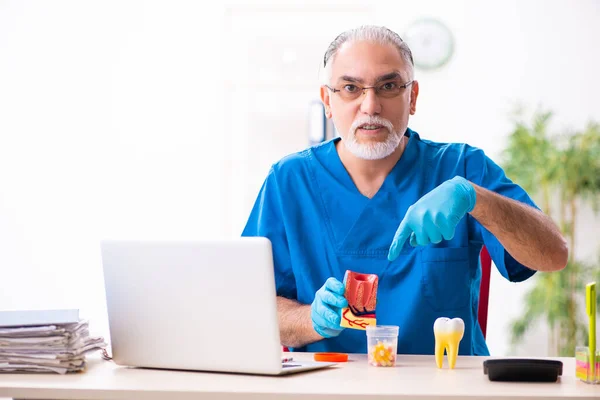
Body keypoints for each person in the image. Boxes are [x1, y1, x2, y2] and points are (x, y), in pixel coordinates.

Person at [242, 25, 567, 355]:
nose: (370, 106)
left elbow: (555, 254)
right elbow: (250, 308)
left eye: (388, 86)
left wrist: (476, 198)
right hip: (329, 384)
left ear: (411, 97)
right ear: (328, 100)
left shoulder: (461, 167)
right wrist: (309, 319)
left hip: (447, 384)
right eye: (351, 87)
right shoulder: (289, 182)